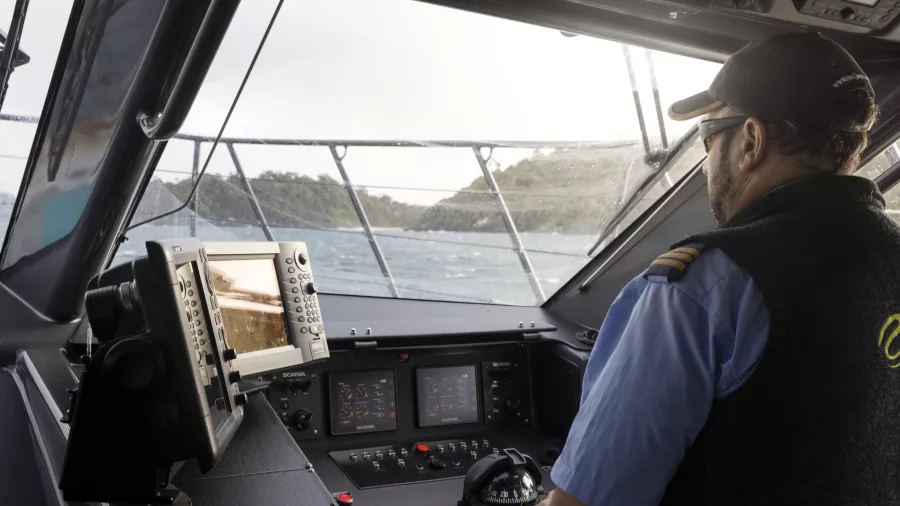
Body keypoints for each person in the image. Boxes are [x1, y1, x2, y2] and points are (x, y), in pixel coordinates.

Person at [540, 32, 898, 506]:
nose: (707, 160)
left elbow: (586, 501)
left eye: (709, 137)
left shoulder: (707, 285)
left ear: (751, 141)